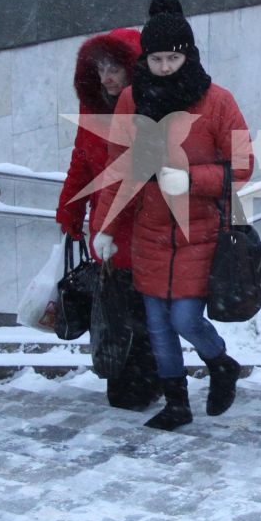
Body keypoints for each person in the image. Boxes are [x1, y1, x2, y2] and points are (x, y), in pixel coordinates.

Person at [101, 0, 250, 430]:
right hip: (149, 230)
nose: (165, 67)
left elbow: (242, 165)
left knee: (184, 318)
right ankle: (177, 403)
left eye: (173, 57)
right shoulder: (131, 99)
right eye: (157, 58)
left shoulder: (217, 101)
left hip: (199, 231)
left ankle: (221, 362)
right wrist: (107, 227)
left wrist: (193, 179)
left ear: (189, 55)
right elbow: (118, 167)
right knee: (158, 325)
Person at [57, 24, 160, 410]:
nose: (107, 77)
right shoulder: (93, 106)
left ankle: (146, 384)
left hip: (144, 229)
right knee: (116, 313)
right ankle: (124, 384)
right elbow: (81, 161)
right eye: (100, 70)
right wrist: (70, 207)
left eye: (115, 68)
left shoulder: (146, 108)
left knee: (142, 314)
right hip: (108, 230)